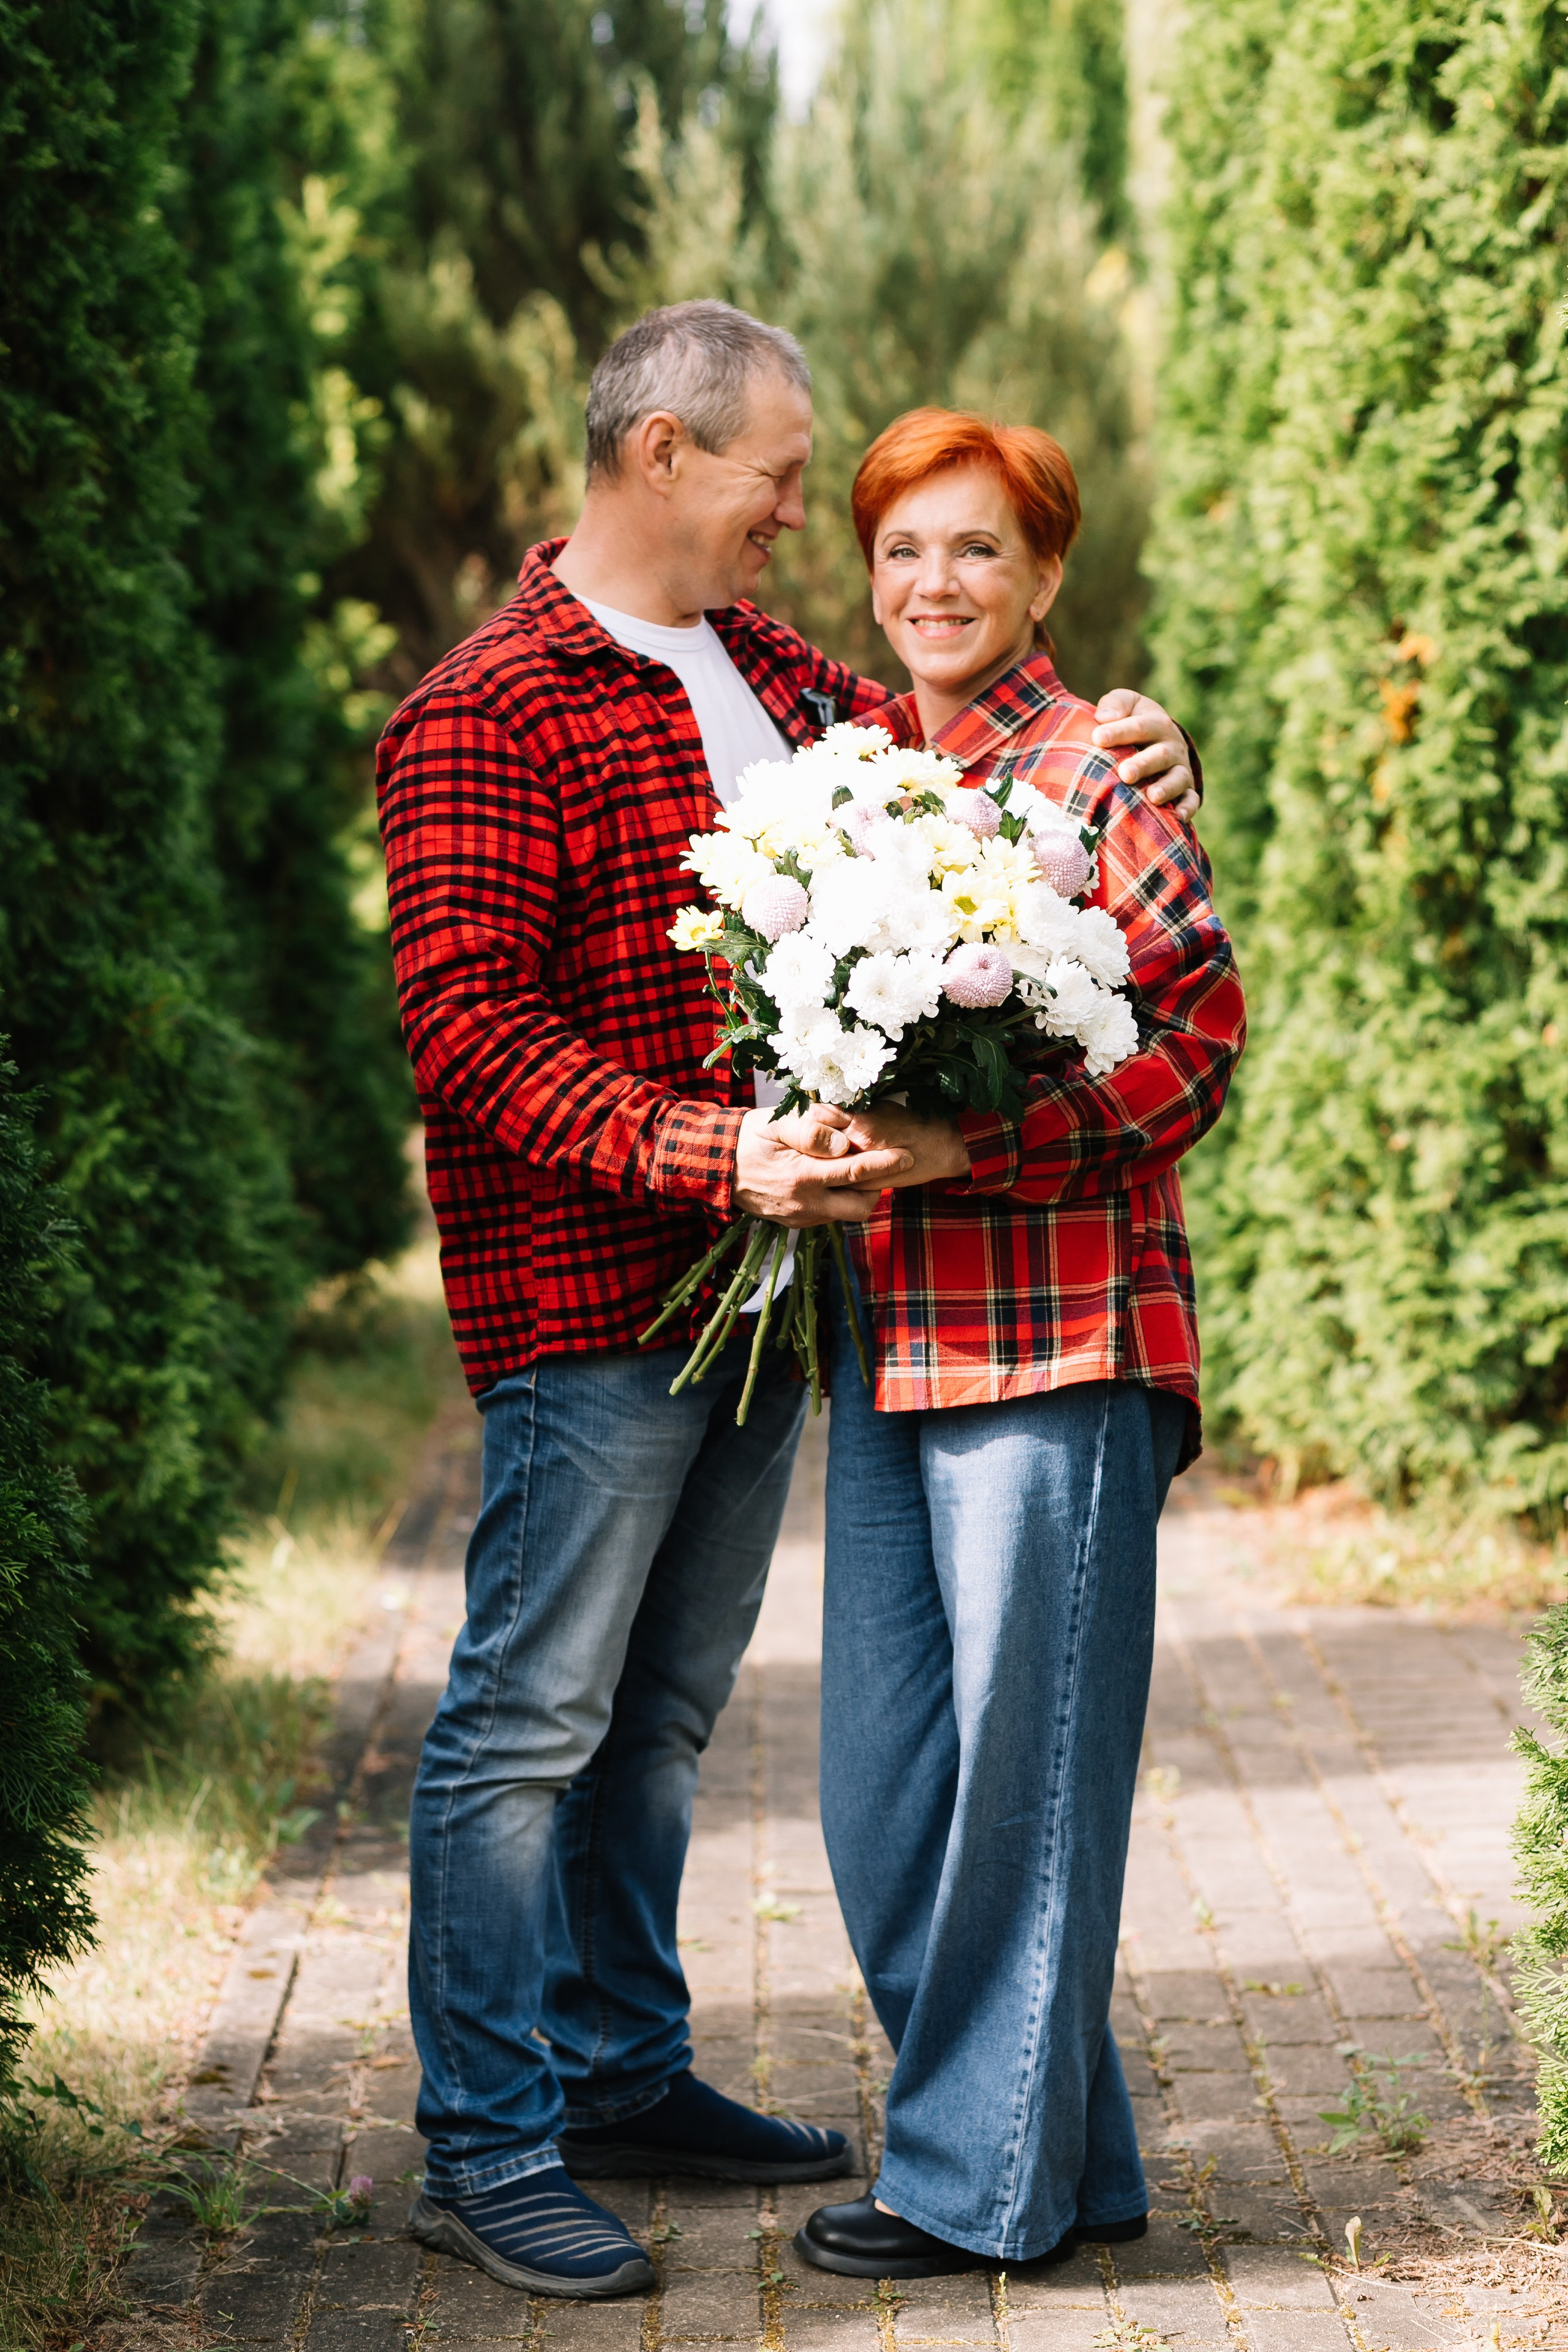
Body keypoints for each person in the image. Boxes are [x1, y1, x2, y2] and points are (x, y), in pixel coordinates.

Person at [376, 306, 1201, 2302]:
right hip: (597, 1293)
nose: (801, 519)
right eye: (778, 472)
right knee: (531, 1720)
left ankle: (623, 2069)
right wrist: (707, 1154)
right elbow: (466, 1031)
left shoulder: (770, 674)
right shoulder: (487, 703)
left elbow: (989, 742)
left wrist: (1142, 736)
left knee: (656, 1723)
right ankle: (491, 2137)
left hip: (778, 1303)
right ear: (665, 456)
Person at [791, 410, 1247, 2279]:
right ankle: (1082, 2156)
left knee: (1028, 1791)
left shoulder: (1098, 775)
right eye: (905, 550)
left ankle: (977, 2189)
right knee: (882, 1793)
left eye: (978, 551)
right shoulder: (854, 784)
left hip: (1062, 1335)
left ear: (1045, 576)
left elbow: (1194, 1040)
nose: (936, 585)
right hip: (889, 1340)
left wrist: (977, 1144)